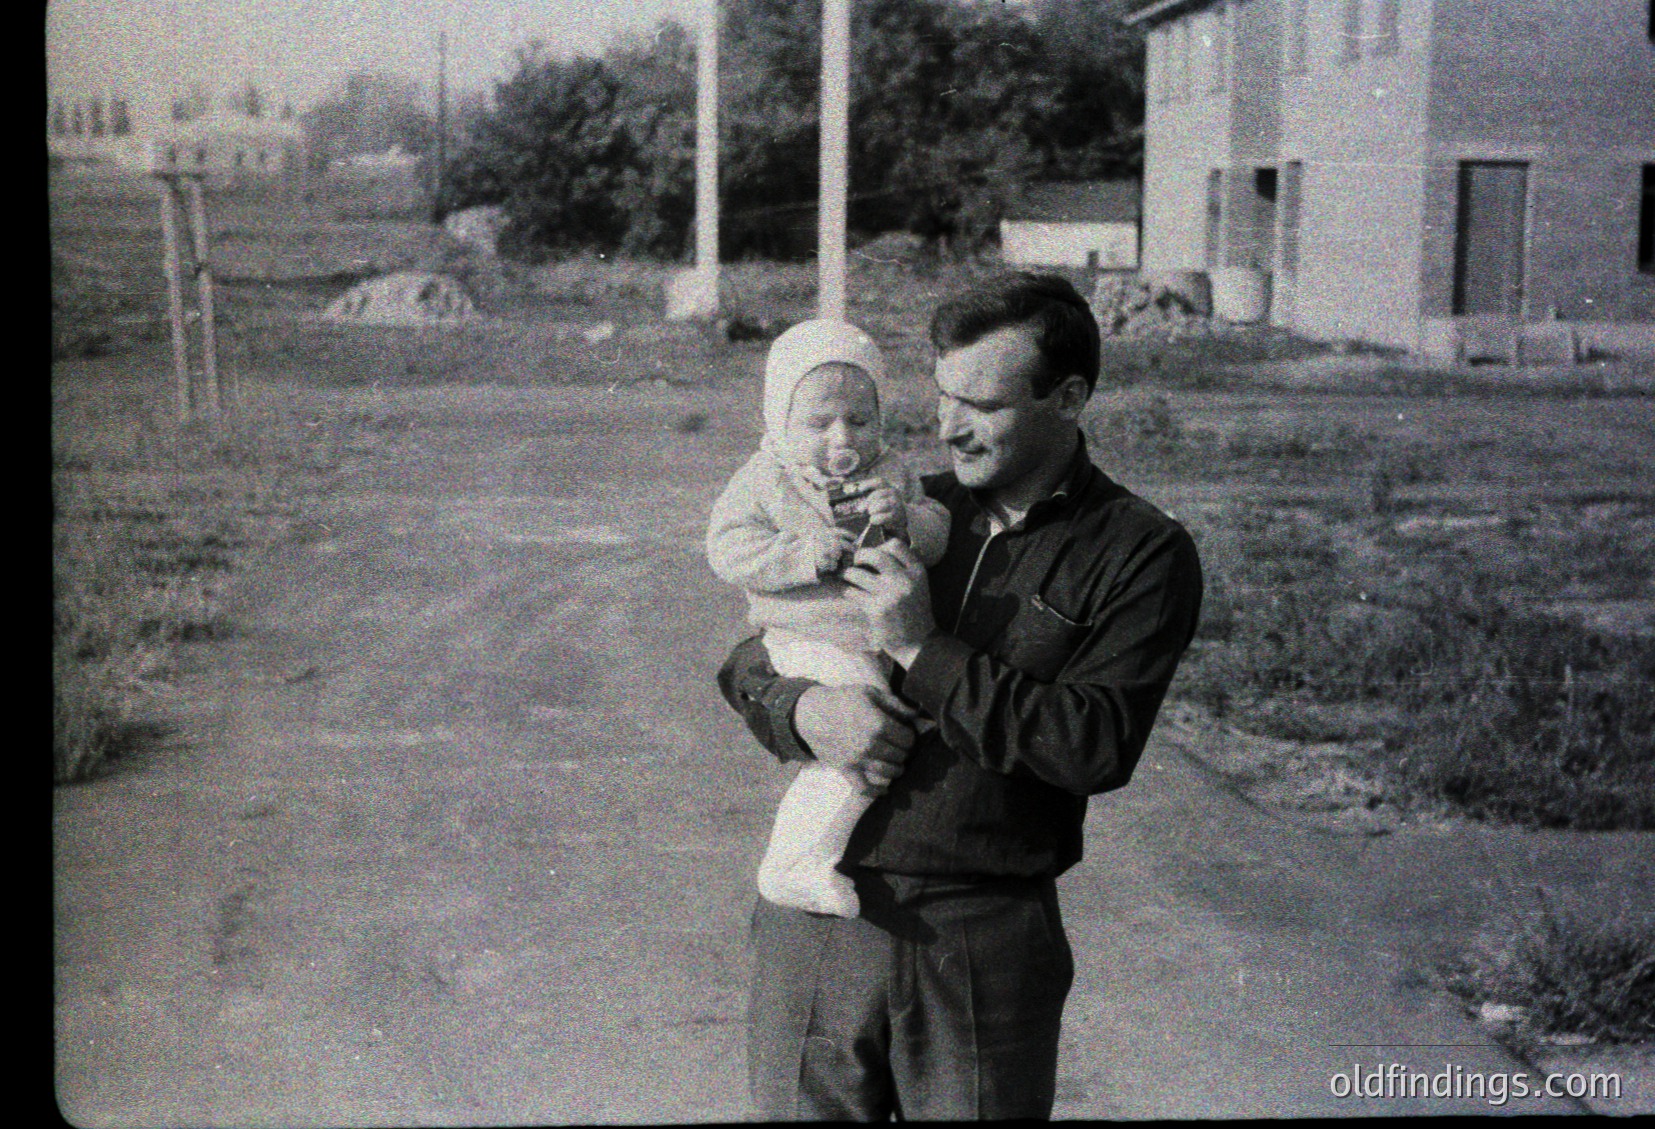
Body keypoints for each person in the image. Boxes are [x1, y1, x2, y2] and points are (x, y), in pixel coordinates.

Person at [717, 272, 1205, 1121]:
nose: (948, 426)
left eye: (981, 403)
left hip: (980, 937)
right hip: (819, 919)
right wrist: (801, 709)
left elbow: (1091, 744)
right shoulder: (909, 507)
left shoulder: (1137, 551)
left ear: (1068, 396)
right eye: (942, 395)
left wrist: (915, 644)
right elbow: (746, 657)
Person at [707, 319, 950, 918]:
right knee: (864, 735)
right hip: (806, 632)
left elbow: (937, 531)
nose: (842, 437)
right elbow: (728, 548)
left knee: (896, 727)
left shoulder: (890, 473)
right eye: (818, 423)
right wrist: (800, 555)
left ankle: (810, 855)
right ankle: (794, 862)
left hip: (873, 637)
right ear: (780, 420)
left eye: (860, 421)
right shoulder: (767, 478)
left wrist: (907, 522)